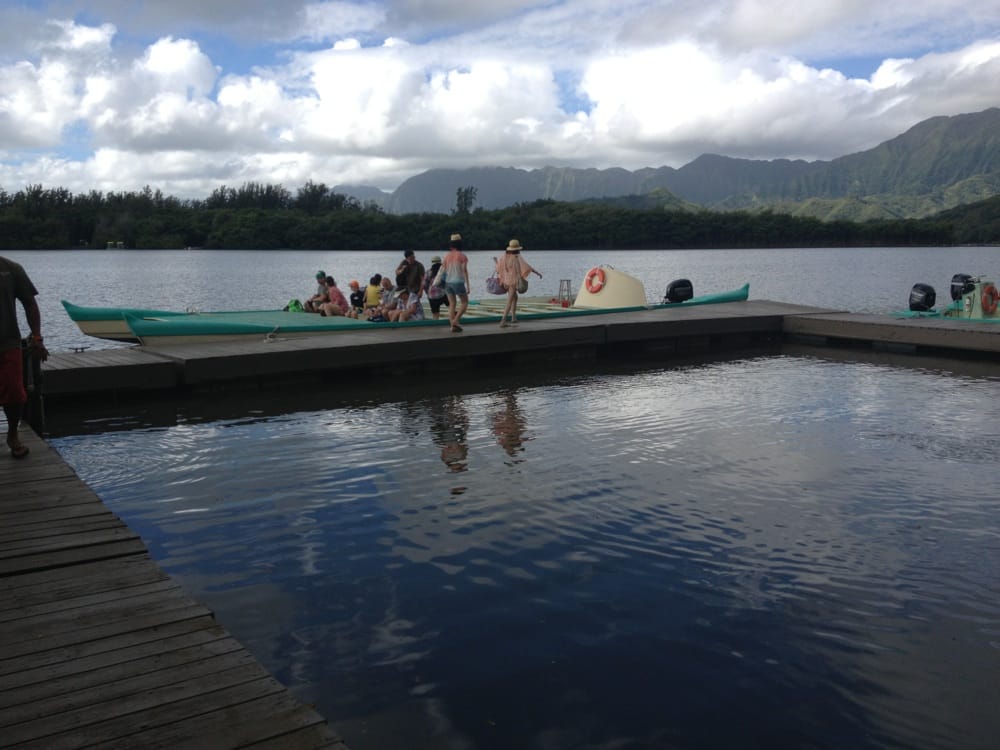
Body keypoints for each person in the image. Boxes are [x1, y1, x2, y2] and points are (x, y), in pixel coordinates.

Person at [1, 256, 48, 459]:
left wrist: (36, 337)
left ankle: (13, 434)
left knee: (14, 391)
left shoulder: (11, 269)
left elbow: (30, 303)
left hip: (8, 342)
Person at [496, 239, 542, 328]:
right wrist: (536, 273)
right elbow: (521, 270)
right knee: (509, 301)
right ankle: (503, 321)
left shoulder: (504, 257)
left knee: (515, 298)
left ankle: (513, 317)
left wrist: (502, 279)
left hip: (507, 281)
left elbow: (498, 268)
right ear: (517, 249)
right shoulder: (516, 258)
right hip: (513, 282)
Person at [441, 233, 470, 333]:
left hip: (448, 282)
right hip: (458, 282)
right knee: (465, 302)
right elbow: (464, 270)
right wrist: (468, 285)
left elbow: (443, 270)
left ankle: (452, 326)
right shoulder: (462, 256)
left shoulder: (446, 256)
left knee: (452, 304)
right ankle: (455, 321)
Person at [424, 255, 449, 320]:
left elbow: (425, 285)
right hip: (442, 294)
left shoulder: (428, 272)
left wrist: (427, 293)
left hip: (432, 296)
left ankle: (435, 324)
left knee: (435, 313)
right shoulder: (444, 271)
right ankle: (454, 317)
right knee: (451, 306)